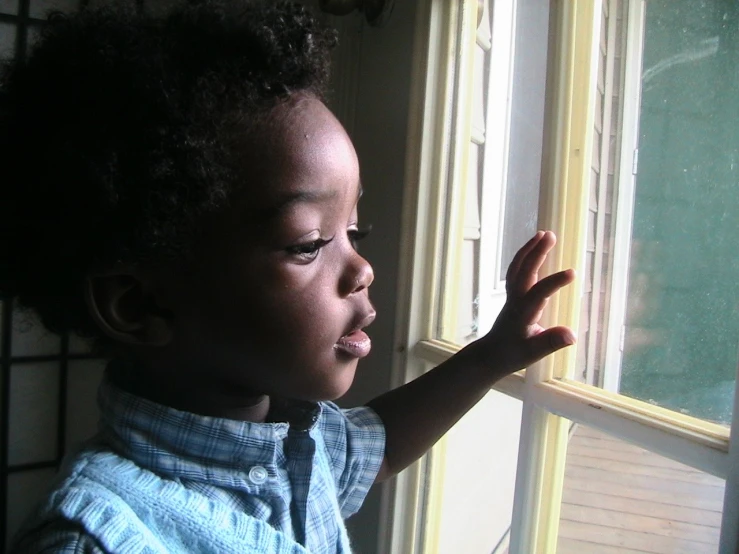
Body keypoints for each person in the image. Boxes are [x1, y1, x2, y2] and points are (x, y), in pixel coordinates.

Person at [1, 1, 575, 552]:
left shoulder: (297, 433)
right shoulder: (95, 541)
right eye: (309, 244)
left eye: (355, 230)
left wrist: (488, 357)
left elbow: (377, 447)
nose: (362, 268)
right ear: (138, 304)